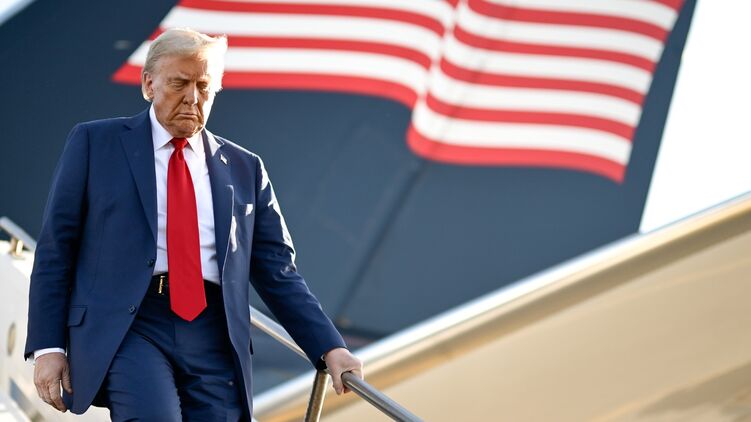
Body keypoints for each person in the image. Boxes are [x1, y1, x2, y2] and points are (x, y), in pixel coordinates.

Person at [25, 27, 362, 421]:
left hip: (214, 332)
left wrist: (329, 346)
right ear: (148, 84)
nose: (192, 97)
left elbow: (278, 272)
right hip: (131, 325)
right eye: (179, 83)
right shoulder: (95, 143)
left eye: (203, 86)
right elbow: (56, 250)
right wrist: (49, 347)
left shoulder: (246, 169)